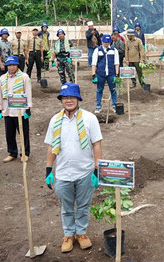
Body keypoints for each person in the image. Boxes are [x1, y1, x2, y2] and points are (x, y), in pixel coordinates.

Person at [44, 83, 102, 253]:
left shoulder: (89, 118)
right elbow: (51, 147)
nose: (68, 100)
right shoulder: (55, 120)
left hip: (85, 172)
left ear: (78, 99)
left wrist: (97, 170)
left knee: (84, 205)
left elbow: (96, 144)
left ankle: (81, 233)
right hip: (63, 173)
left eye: (72, 97)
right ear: (61, 100)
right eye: (65, 97)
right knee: (67, 207)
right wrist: (49, 170)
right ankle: (68, 234)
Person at [0, 56, 33, 163]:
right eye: (10, 65)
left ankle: (25, 153)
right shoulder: (3, 78)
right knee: (9, 133)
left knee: (23, 132)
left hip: (20, 110)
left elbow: (28, 92)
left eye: (14, 65)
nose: (12, 68)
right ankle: (12, 152)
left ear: (17, 65)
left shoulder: (24, 77)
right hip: (7, 110)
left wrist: (28, 108)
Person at [91, 34, 120, 113]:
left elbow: (116, 63)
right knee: (99, 90)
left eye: (108, 42)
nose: (107, 44)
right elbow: (94, 63)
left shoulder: (114, 50)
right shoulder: (98, 50)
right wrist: (93, 75)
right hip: (101, 74)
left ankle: (114, 105)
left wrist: (117, 75)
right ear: (102, 42)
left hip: (111, 73)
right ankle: (98, 106)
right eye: (105, 42)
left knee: (113, 90)